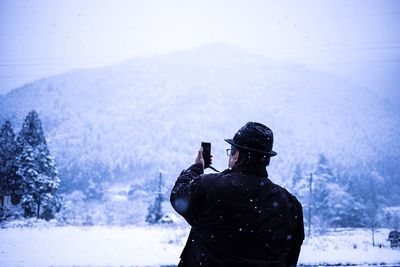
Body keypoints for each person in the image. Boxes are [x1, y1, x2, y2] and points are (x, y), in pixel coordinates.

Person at [170, 122, 304, 267]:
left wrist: (196, 168)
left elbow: (178, 197)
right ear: (266, 159)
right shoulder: (290, 205)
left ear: (236, 155)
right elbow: (291, 258)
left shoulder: (209, 187)